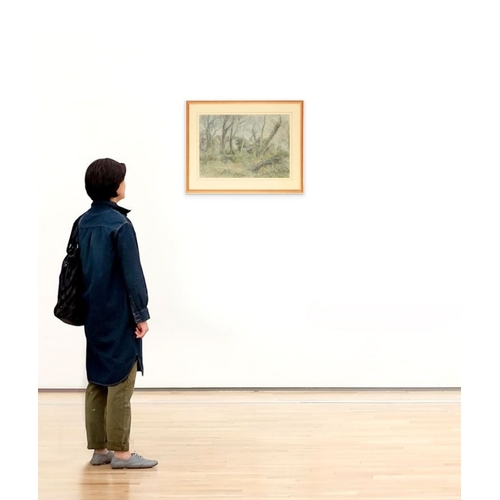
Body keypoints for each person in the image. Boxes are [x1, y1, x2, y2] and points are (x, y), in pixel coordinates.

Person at [77, 158, 158, 469]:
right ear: (114, 186)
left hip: (92, 311)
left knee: (97, 379)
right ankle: (122, 454)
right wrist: (141, 314)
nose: (125, 184)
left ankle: (99, 450)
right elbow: (132, 275)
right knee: (122, 380)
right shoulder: (120, 225)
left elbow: (75, 269)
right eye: (122, 179)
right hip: (120, 313)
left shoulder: (82, 222)